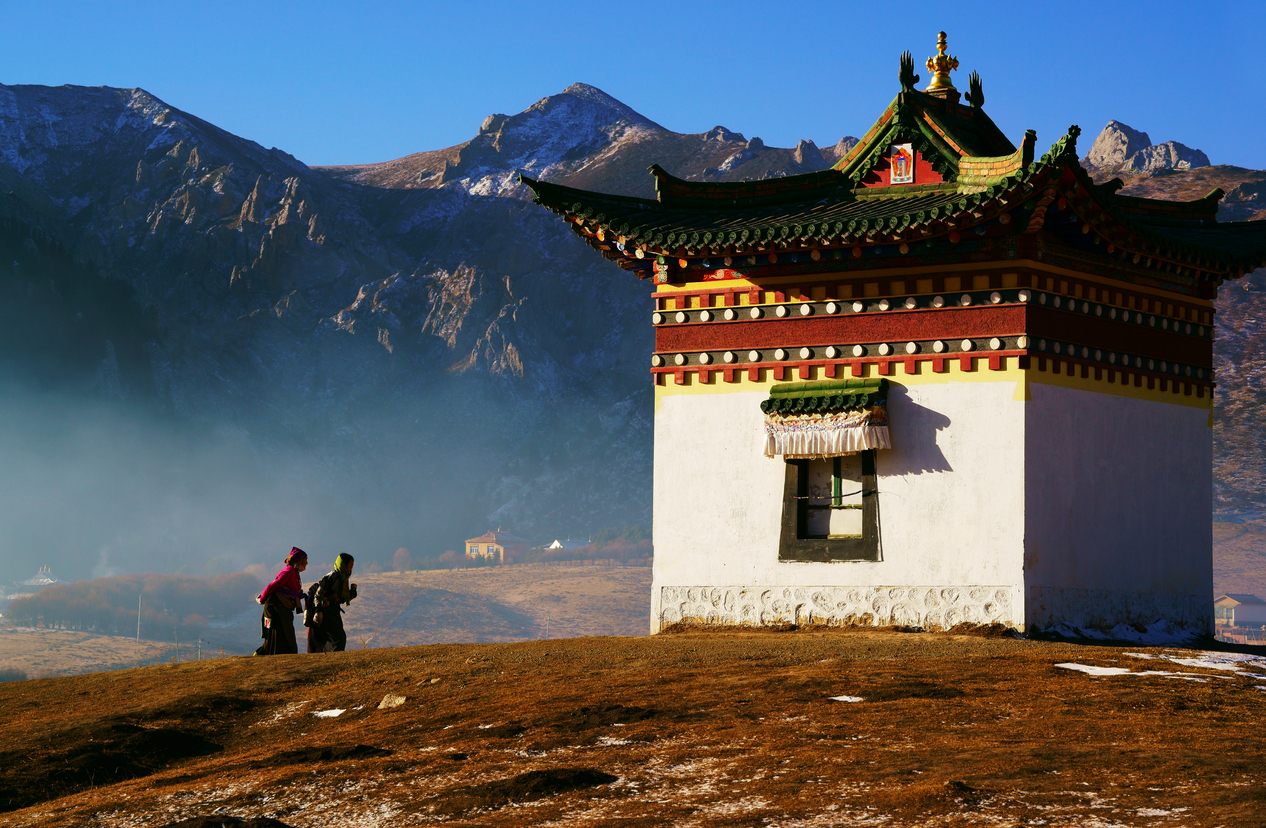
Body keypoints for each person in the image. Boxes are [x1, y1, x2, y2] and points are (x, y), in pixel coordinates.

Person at [254, 547, 308, 656]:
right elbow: (271, 587)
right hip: (275, 609)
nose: (306, 563)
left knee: (282, 639)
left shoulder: (294, 573)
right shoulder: (288, 573)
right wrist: (261, 600)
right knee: (277, 639)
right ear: (298, 561)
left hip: (283, 609)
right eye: (305, 560)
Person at [305, 553, 358, 653]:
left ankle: (330, 656)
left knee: (337, 637)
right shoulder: (333, 576)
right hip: (325, 611)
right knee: (338, 637)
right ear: (343, 564)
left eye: (352, 564)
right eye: (350, 563)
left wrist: (351, 594)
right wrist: (318, 611)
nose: (351, 566)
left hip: (333, 611)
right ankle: (333, 657)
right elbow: (319, 593)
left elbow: (339, 598)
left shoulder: (343, 579)